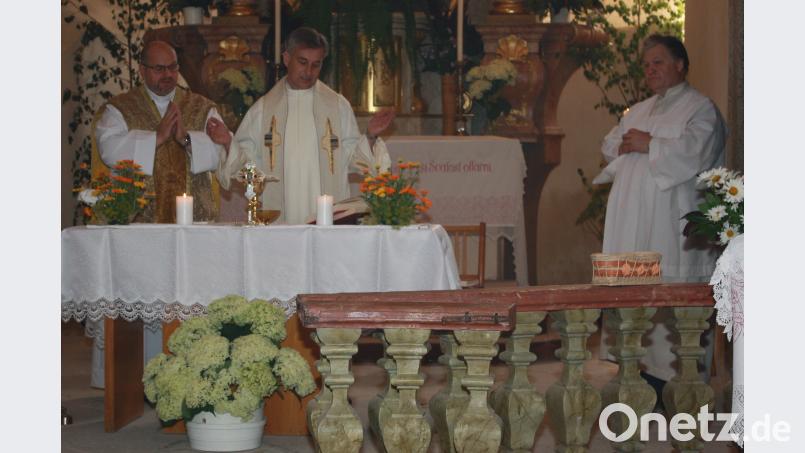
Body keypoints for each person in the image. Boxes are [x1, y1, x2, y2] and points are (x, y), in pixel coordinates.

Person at [593, 35, 727, 391]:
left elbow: (697, 150)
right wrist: (625, 142)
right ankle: (635, 371)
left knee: (669, 293)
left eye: (659, 62)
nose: (650, 69)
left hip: (672, 219)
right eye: (647, 64)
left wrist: (650, 144)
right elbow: (609, 145)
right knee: (634, 292)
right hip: (631, 219)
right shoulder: (638, 109)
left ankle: (678, 381)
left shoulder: (700, 108)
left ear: (680, 64)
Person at [220, 26, 395, 224]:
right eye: (302, 62)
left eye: (316, 64)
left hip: (327, 220)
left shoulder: (337, 106)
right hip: (281, 220)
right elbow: (247, 166)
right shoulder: (262, 111)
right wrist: (228, 143)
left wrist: (370, 135)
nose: (309, 71)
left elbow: (353, 160)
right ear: (286, 59)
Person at [94, 40, 233, 223]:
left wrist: (186, 140)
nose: (168, 74)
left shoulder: (203, 108)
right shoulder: (119, 109)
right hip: (140, 220)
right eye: (159, 69)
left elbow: (223, 154)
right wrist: (156, 138)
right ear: (142, 71)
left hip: (194, 221)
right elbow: (109, 150)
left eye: (172, 67)